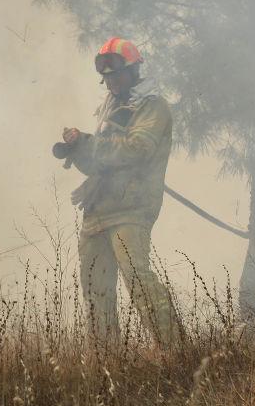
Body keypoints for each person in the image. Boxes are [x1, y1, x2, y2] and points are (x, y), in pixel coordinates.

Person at [59, 37, 179, 346]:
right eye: (106, 76)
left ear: (134, 69)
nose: (110, 81)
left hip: (131, 208)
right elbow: (100, 163)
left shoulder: (152, 105)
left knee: (138, 279)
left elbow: (136, 149)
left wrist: (90, 142)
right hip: (97, 210)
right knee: (94, 288)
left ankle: (176, 352)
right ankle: (105, 364)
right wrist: (79, 147)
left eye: (116, 74)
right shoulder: (109, 108)